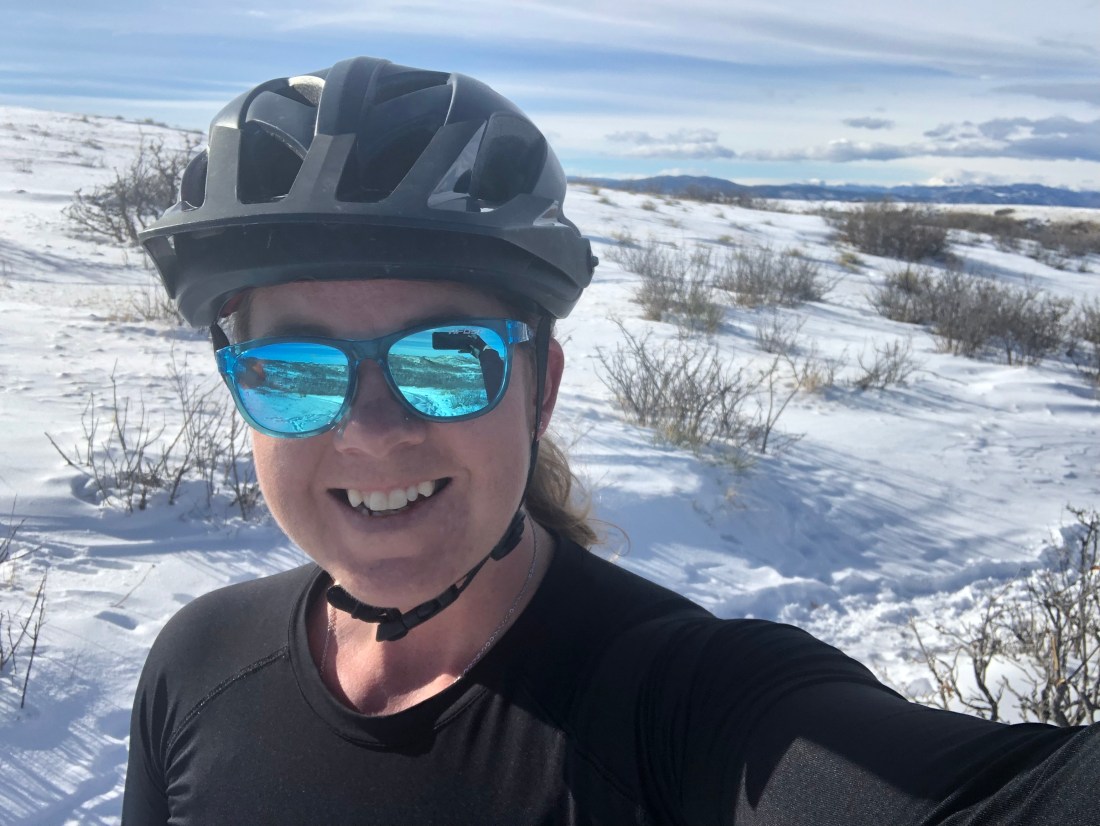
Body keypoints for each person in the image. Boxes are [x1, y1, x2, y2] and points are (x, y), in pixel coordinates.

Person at [123, 56, 1098, 825]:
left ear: (539, 390)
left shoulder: (683, 711)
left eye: (446, 358)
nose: (373, 432)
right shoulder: (196, 663)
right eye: (296, 370)